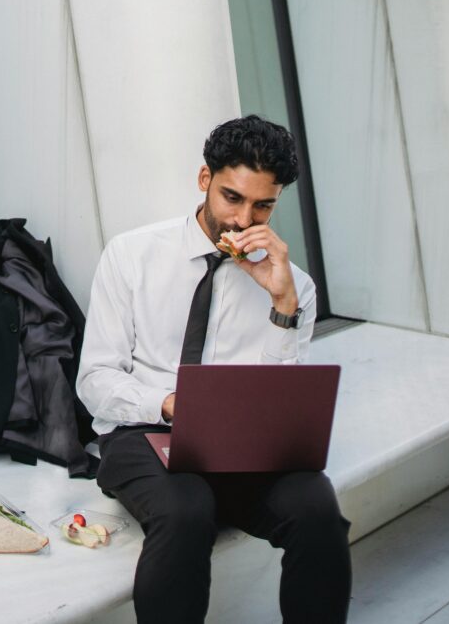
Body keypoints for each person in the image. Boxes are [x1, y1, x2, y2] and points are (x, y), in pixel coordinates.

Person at [76, 115, 351, 623]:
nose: (244, 220)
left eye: (263, 205)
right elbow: (94, 380)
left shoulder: (296, 286)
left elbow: (283, 405)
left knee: (317, 511)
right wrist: (167, 404)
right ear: (205, 181)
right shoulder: (132, 255)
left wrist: (283, 305)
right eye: (232, 197)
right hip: (144, 432)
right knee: (185, 511)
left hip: (245, 446)